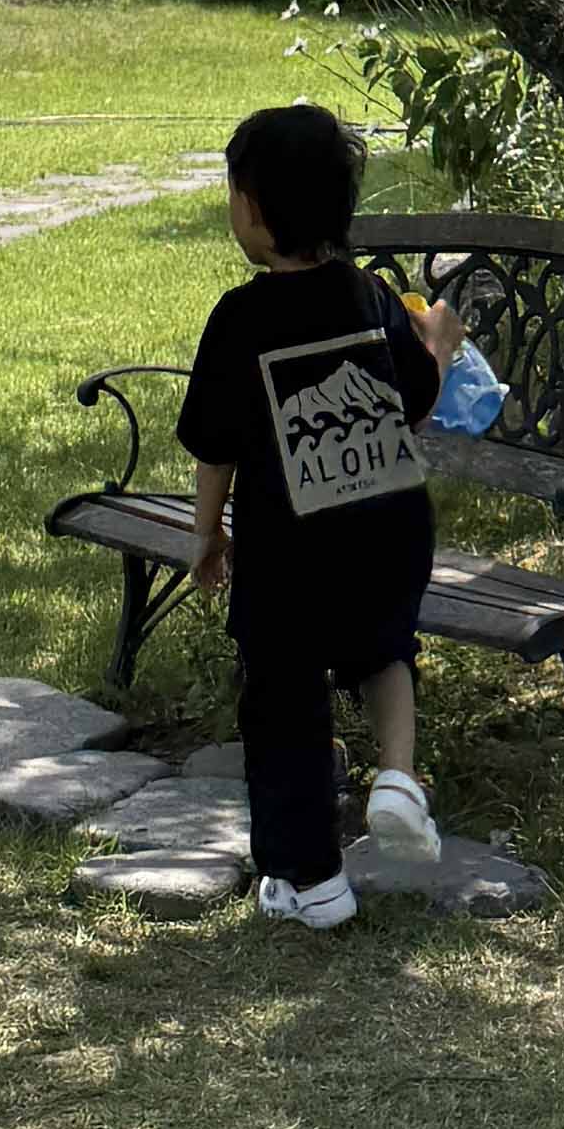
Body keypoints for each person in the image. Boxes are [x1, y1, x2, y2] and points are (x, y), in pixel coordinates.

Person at [180, 99, 442, 930]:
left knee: (284, 697)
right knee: (384, 650)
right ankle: (396, 776)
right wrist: (435, 342)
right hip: (389, 528)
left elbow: (214, 445)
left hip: (289, 549)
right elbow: (414, 399)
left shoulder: (240, 318)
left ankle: (311, 878)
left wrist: (206, 532)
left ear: (251, 211)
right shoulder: (369, 299)